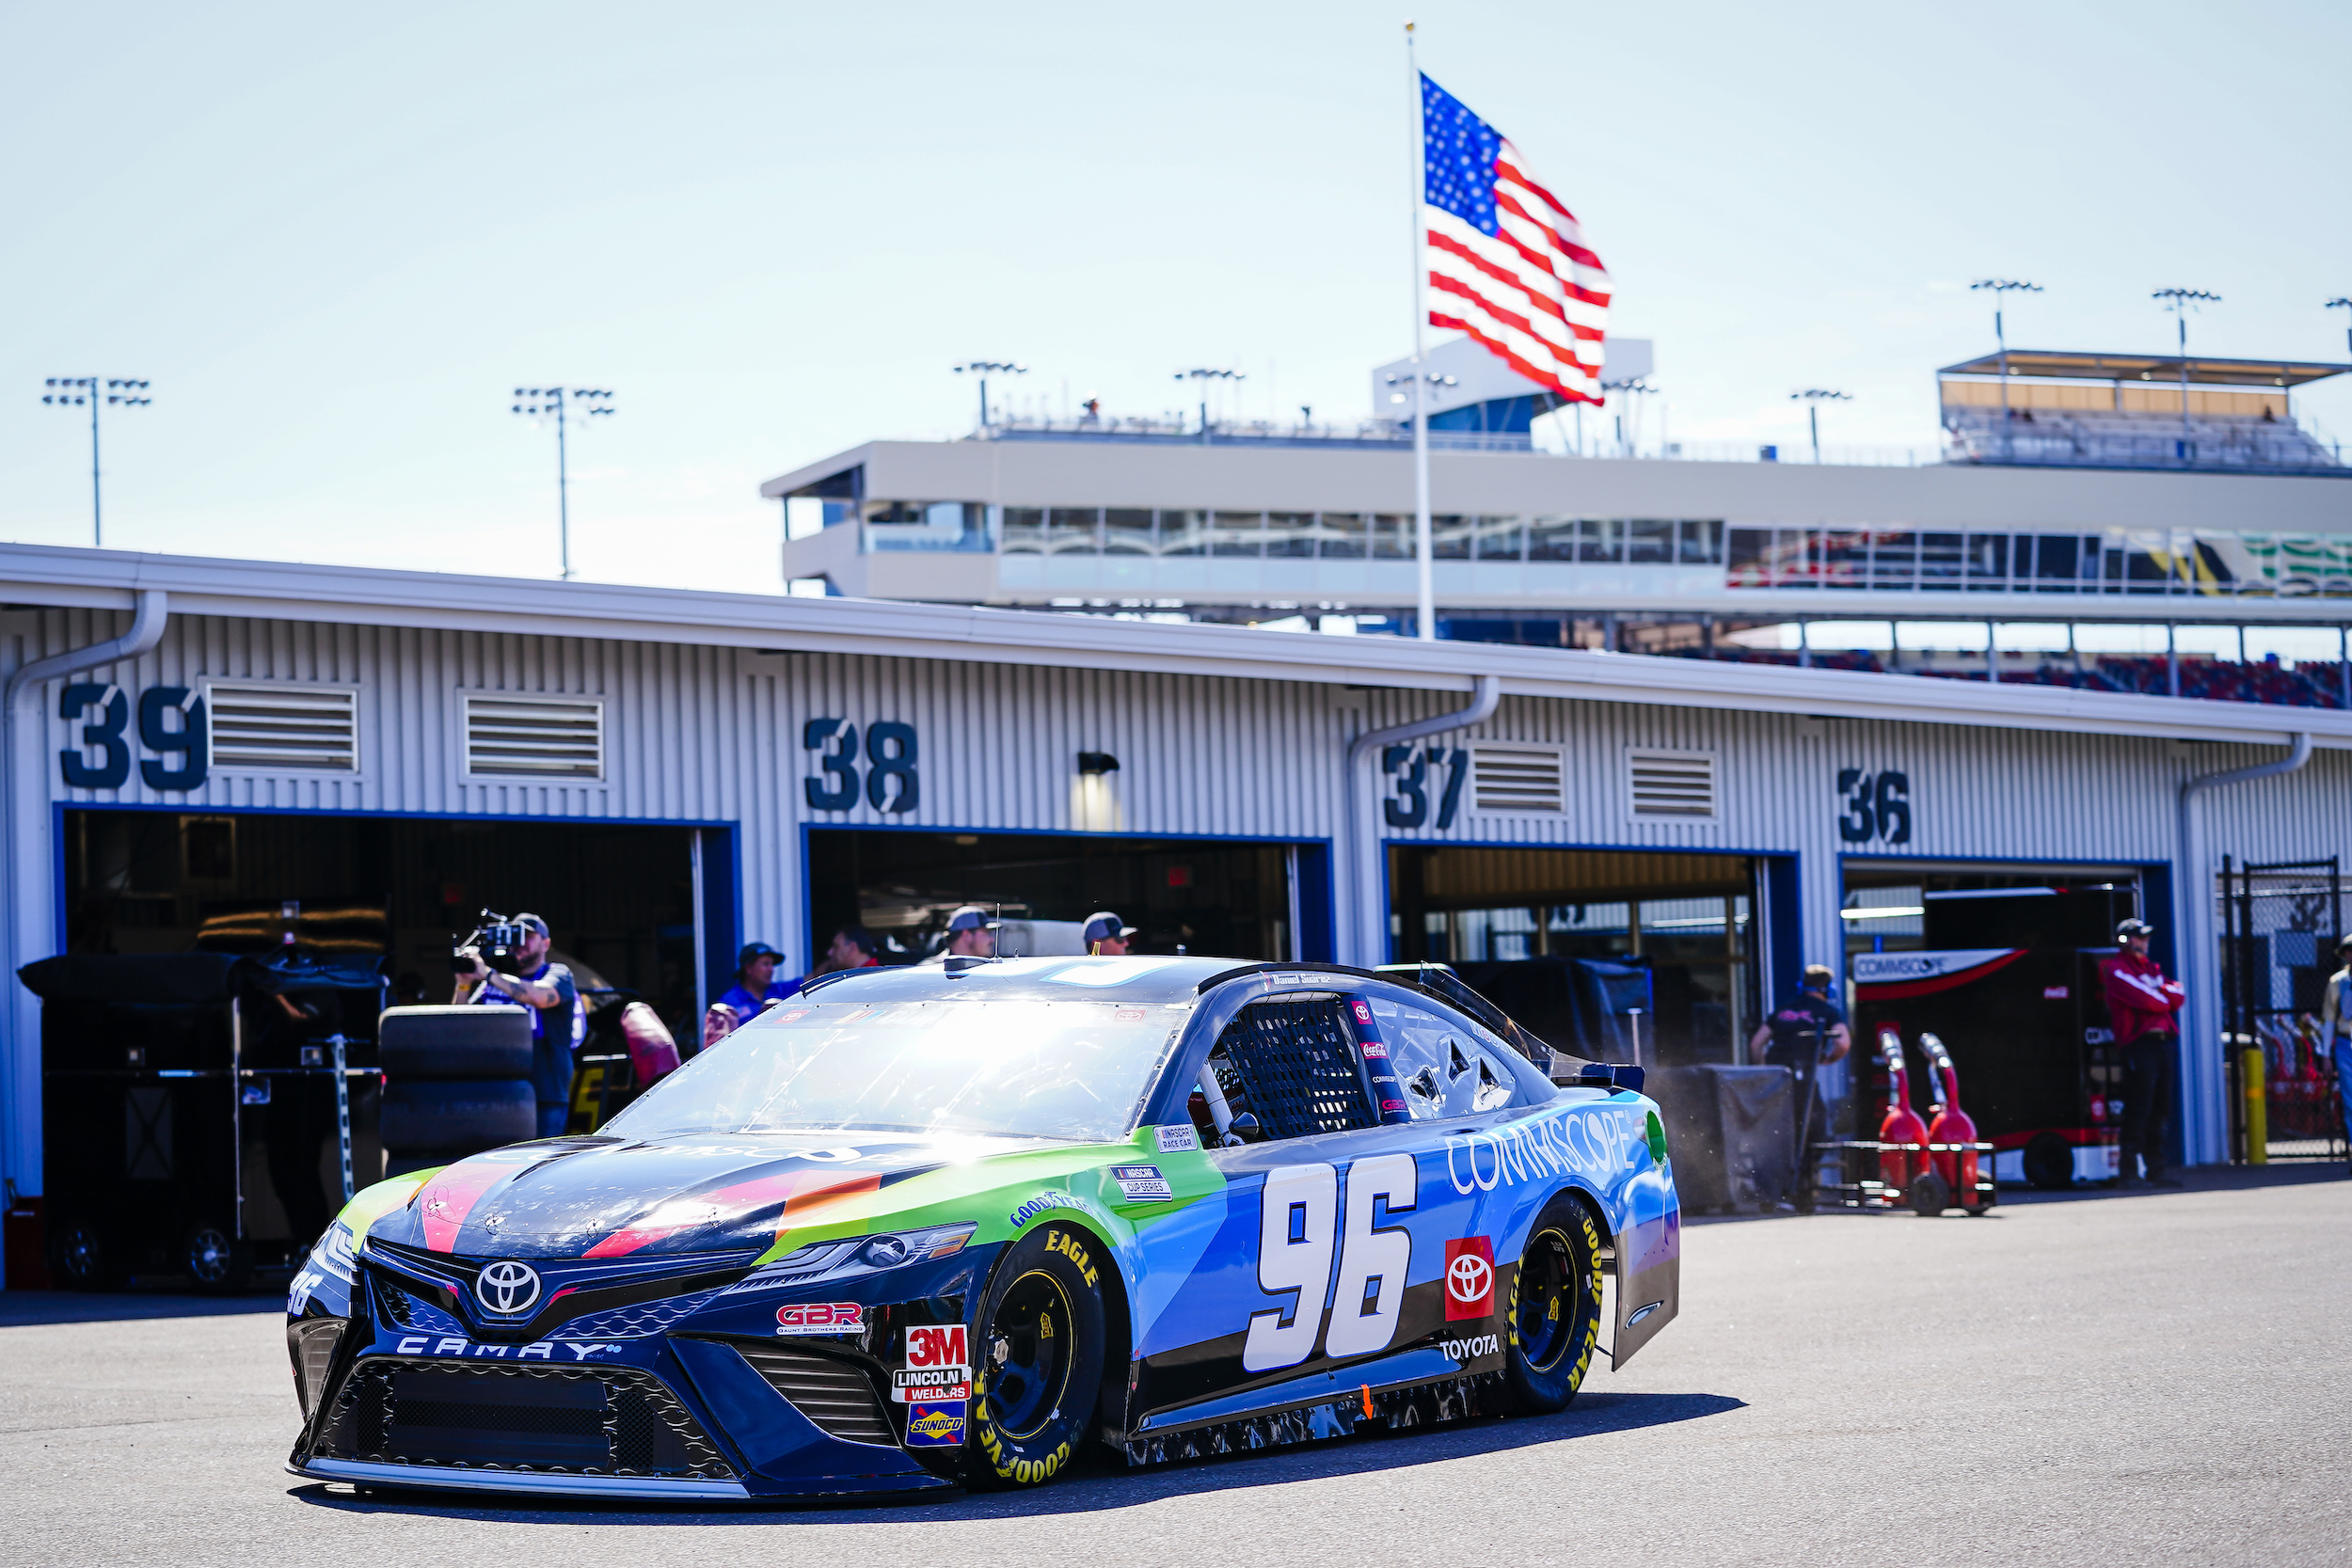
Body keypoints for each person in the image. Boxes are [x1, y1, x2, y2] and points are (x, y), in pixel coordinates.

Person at [453, 913, 580, 1138]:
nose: (520, 942)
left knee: (541, 1157)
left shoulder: (558, 974)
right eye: (515, 936)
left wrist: (488, 974)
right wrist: (463, 984)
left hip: (544, 1092)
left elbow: (539, 997)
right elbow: (458, 1025)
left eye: (528, 936)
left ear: (546, 943)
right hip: (497, 1092)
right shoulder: (494, 981)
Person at [1747, 964, 1851, 1213]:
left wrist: (1764, 1073)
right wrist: (1827, 1059)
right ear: (1828, 989)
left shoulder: (1783, 1010)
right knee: (1814, 1132)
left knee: (1774, 1134)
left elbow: (1756, 1044)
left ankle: (1769, 1191)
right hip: (1803, 1081)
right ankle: (1803, 1190)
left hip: (1775, 1083)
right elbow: (1843, 1042)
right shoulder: (1827, 1011)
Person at [2101, 917, 2186, 1188]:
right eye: (2140, 937)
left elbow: (2178, 994)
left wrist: (2160, 993)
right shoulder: (2117, 969)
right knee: (2139, 1107)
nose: (2146, 942)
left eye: (2147, 937)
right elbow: (2152, 1000)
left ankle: (2156, 1170)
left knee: (2161, 1108)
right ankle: (2128, 1172)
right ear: (2125, 940)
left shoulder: (2150, 968)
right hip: (2139, 1045)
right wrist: (2160, 994)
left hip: (2163, 1044)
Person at [2316, 935, 2352, 1170]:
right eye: (2349, 950)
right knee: (2350, 1100)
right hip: (2345, 1043)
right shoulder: (2338, 982)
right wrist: (2326, 1054)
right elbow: (2329, 1019)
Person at [718, 942, 796, 1018]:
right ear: (748, 968)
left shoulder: (781, 990)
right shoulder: (729, 1002)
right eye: (765, 964)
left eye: (772, 964)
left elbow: (803, 982)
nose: (771, 969)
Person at [927, 906, 996, 961]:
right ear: (967, 934)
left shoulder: (987, 968)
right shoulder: (932, 970)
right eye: (985, 933)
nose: (992, 939)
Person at [818, 924, 882, 975]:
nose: (829, 952)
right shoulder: (871, 973)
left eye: (836, 946)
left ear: (852, 948)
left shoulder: (869, 977)